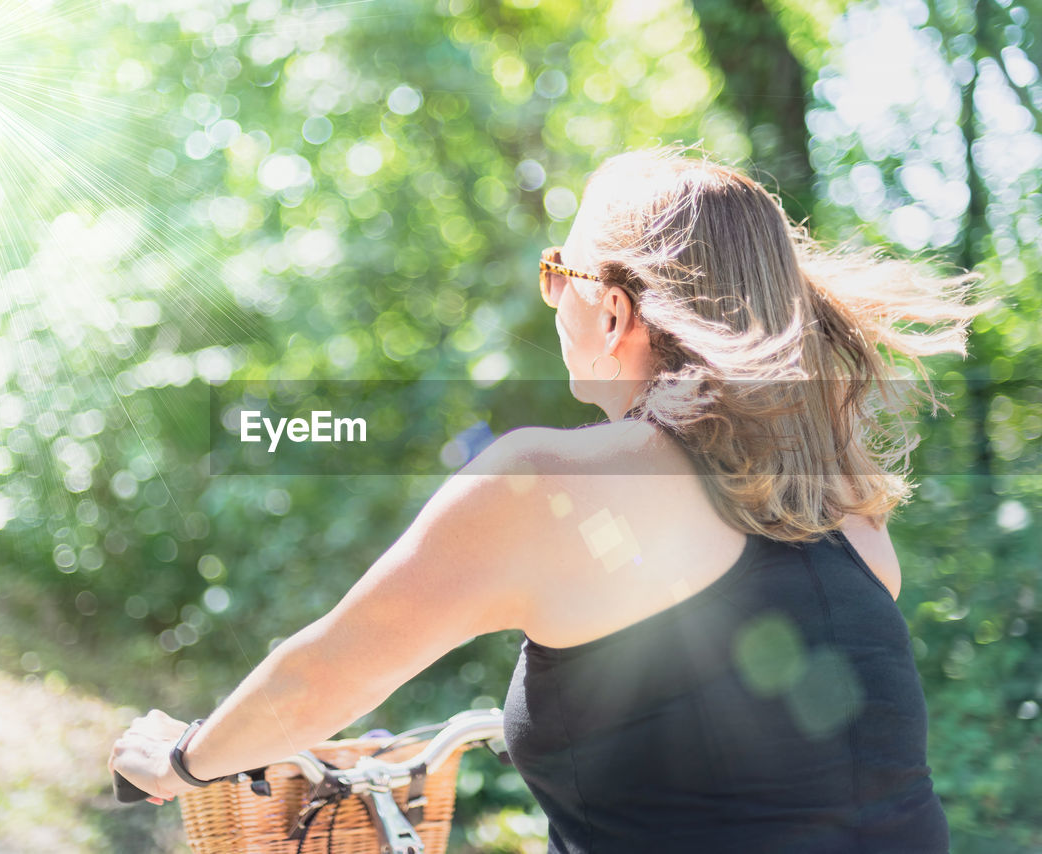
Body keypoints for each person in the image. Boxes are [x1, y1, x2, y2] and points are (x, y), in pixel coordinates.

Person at [108, 145, 1000, 851]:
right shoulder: (851, 526)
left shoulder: (548, 482)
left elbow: (324, 673)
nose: (550, 302)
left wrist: (183, 760)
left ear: (612, 311)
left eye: (555, 273)